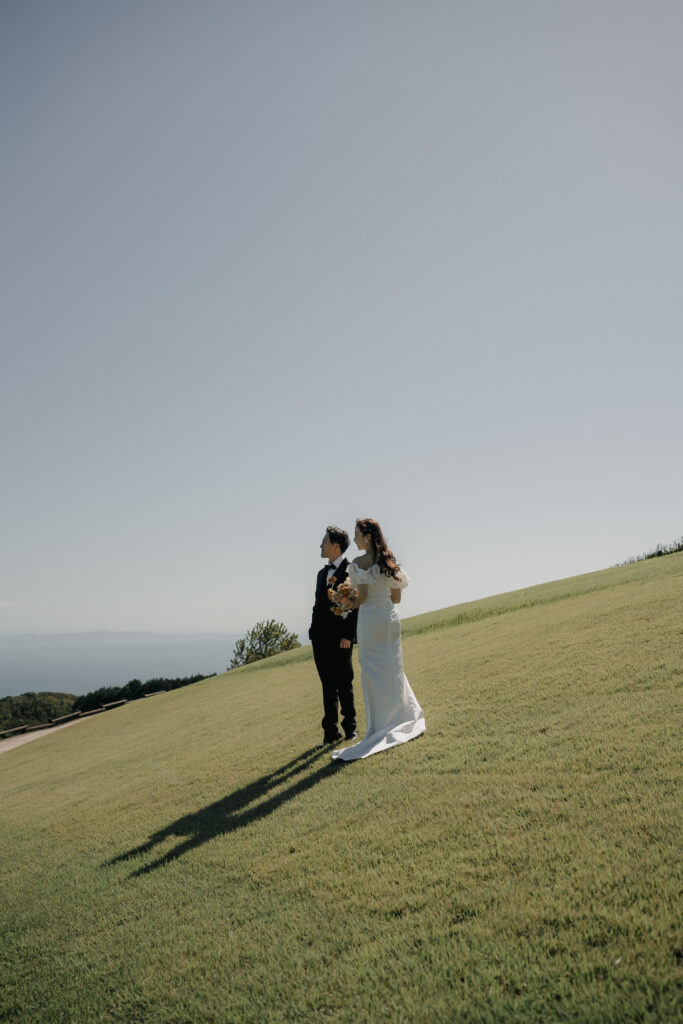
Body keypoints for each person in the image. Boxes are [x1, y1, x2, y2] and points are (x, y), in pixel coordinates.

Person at [332, 518, 425, 762]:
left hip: (371, 621)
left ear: (368, 537)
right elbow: (396, 599)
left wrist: (345, 603)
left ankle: (380, 724)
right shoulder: (389, 560)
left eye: (357, 535)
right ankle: (401, 716)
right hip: (390, 620)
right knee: (393, 669)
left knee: (372, 671)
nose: (354, 539)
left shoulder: (358, 563)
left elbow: (361, 597)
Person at [309, 525, 358, 745]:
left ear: (336, 545)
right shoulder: (321, 574)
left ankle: (351, 729)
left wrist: (349, 635)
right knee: (327, 685)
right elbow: (317, 605)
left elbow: (355, 605)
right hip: (320, 640)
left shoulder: (351, 571)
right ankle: (330, 733)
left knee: (344, 684)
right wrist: (312, 632)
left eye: (324, 541)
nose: (321, 545)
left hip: (341, 639)